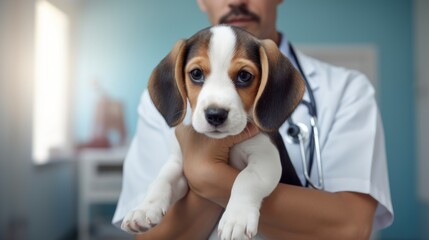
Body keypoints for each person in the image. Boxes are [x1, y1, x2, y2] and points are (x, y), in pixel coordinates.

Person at [112, 0, 394, 239]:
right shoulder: (161, 103)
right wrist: (161, 193)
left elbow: (353, 227)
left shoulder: (348, 90)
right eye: (197, 74)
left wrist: (206, 173)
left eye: (243, 76)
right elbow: (150, 235)